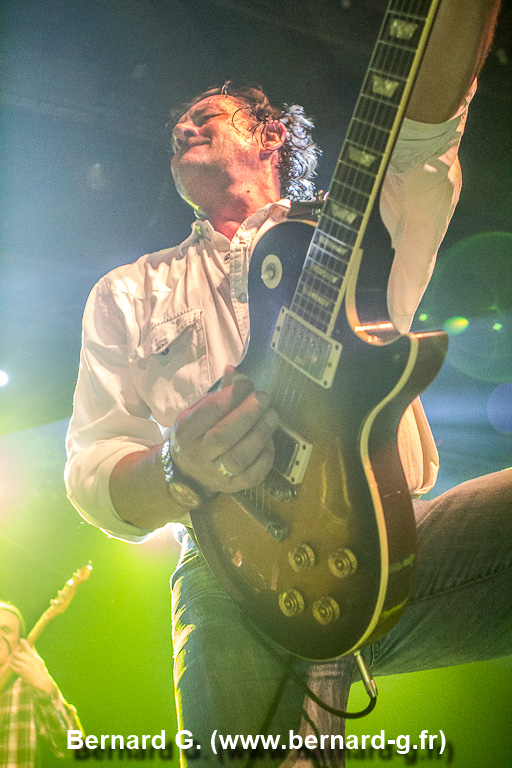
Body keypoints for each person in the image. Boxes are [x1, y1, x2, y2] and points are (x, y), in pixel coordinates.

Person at [65, 1, 510, 766]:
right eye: (177, 127)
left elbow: (427, 133)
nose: (183, 126)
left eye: (207, 115)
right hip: (233, 560)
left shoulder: (350, 228)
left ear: (270, 136)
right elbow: (94, 466)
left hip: (390, 533)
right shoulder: (129, 291)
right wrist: (179, 469)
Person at [0, 601, 83, 767]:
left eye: (5, 630)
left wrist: (46, 689)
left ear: (19, 645)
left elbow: (75, 748)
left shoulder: (28, 687)